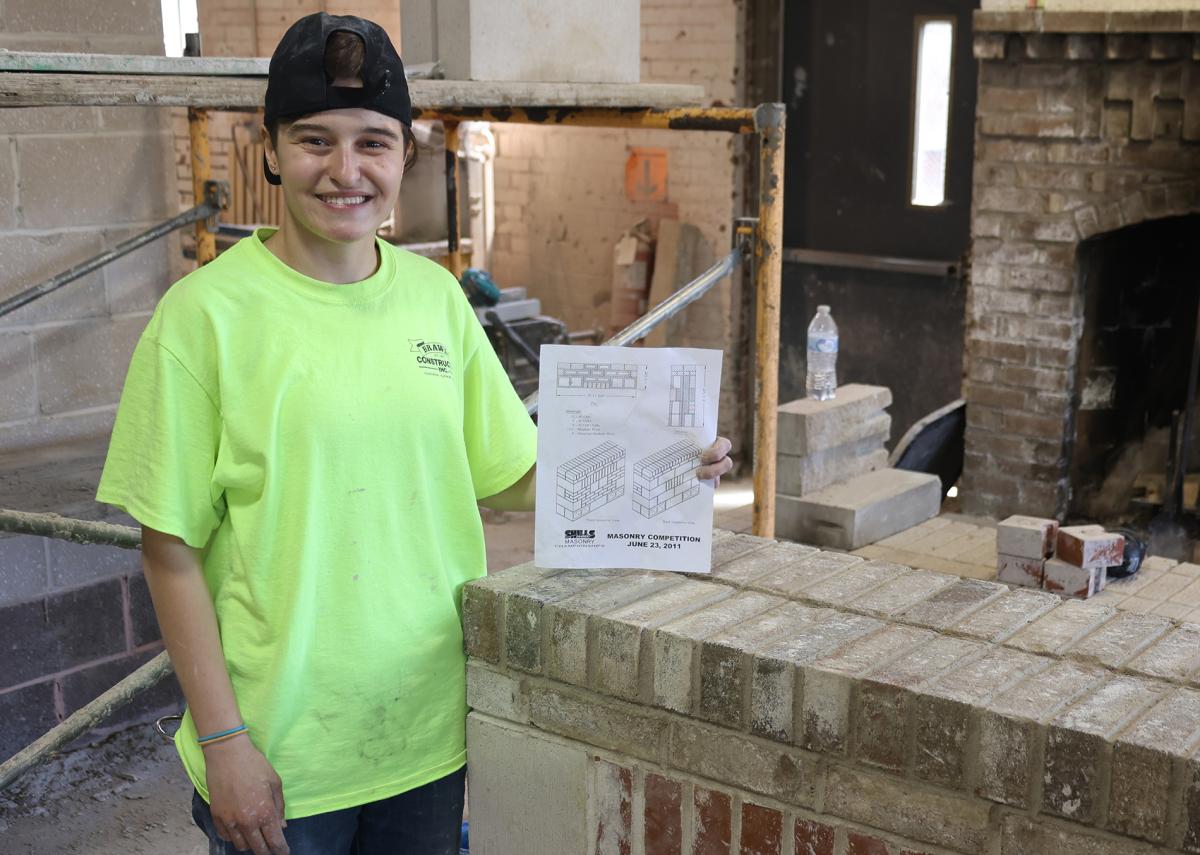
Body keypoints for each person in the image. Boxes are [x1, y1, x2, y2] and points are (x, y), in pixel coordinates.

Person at [97, 12, 733, 855]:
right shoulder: (203, 319)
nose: (345, 171)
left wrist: (666, 458)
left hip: (428, 737)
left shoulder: (435, 299)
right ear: (271, 148)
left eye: (374, 142)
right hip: (286, 750)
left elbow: (507, 472)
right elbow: (167, 541)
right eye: (315, 140)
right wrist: (224, 742)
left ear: (407, 153)